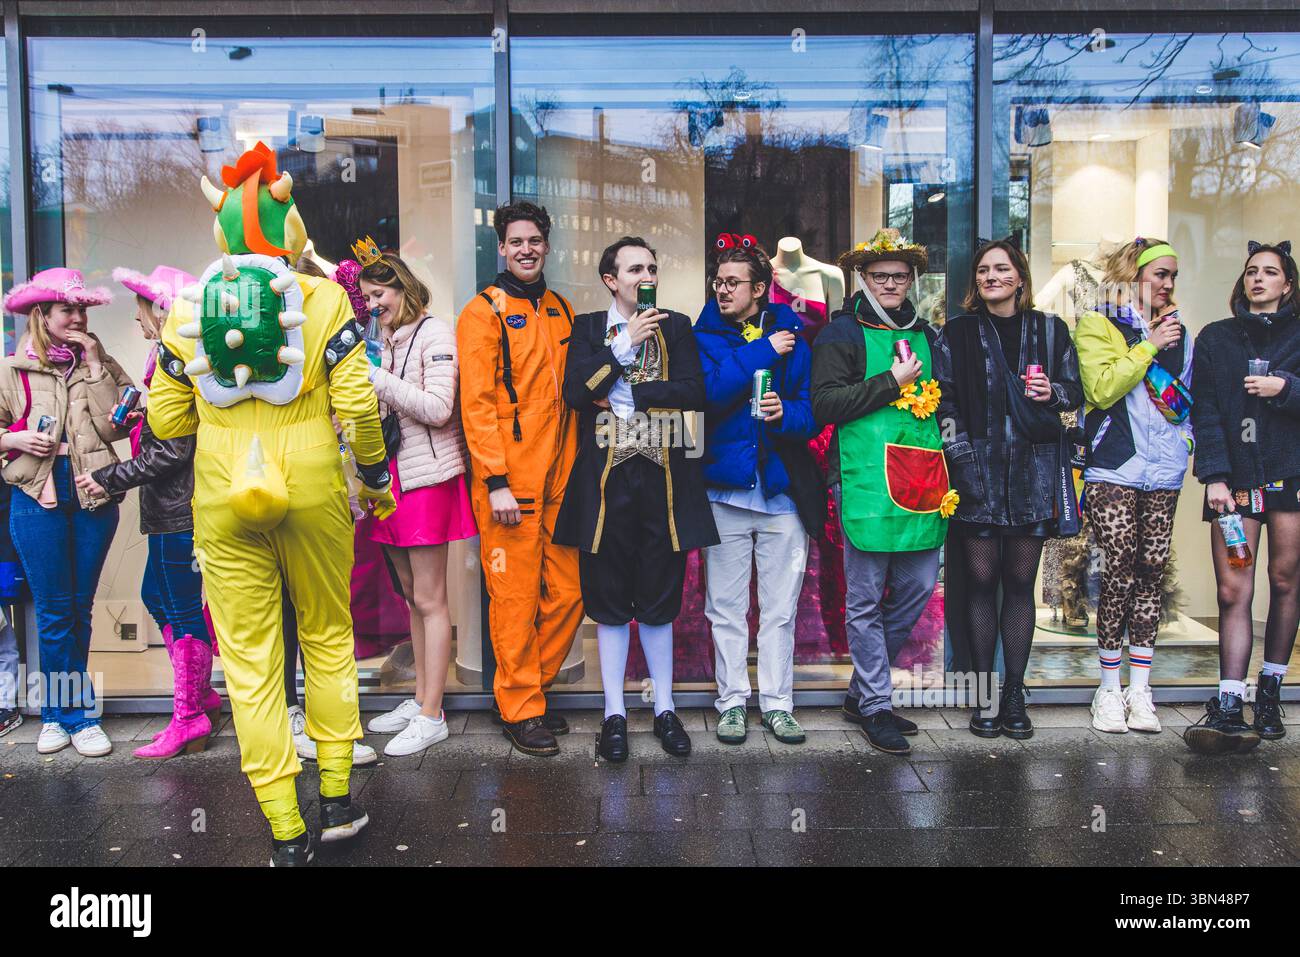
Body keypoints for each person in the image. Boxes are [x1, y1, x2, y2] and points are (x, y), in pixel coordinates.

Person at [149, 142, 394, 865]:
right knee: (326, 634)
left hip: (225, 492)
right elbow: (358, 404)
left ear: (220, 229)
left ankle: (287, 830)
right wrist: (374, 479)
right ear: (288, 229)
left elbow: (166, 423)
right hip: (313, 484)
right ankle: (340, 801)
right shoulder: (322, 297)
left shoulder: (187, 307)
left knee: (252, 660)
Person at [555, 236, 717, 761]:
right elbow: (576, 394)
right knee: (607, 603)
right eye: (634, 269)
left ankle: (665, 708)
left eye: (651, 267)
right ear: (611, 279)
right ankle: (614, 714)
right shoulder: (585, 329)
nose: (646, 276)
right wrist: (622, 347)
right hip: (603, 484)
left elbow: (694, 392)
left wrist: (633, 395)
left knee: (658, 600)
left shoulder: (677, 325)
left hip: (664, 479)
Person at [812, 229, 957, 756]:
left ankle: (860, 692)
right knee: (865, 599)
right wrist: (891, 384)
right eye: (880, 276)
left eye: (899, 276)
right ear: (863, 280)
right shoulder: (840, 334)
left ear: (912, 280)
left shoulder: (931, 335)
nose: (891, 284)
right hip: (867, 481)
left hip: (922, 480)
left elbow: (947, 405)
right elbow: (824, 404)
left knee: (918, 589)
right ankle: (876, 702)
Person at [77, 264, 225, 760]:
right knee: (156, 595)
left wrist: (107, 477)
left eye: (141, 309)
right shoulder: (168, 358)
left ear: (160, 312)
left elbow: (174, 450)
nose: (138, 321)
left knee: (180, 607)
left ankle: (189, 716)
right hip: (171, 508)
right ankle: (200, 694)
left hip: (180, 509)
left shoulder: (174, 360)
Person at [939, 239, 1083, 739]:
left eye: (1002, 268)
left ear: (1020, 277)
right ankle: (984, 695)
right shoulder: (953, 334)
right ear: (975, 282)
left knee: (1019, 584)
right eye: (983, 270)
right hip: (974, 475)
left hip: (1032, 473)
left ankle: (1014, 694)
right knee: (980, 582)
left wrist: (1053, 392)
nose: (991, 276)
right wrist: (959, 459)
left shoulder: (1050, 330)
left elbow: (1074, 391)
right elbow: (944, 402)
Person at [456, 200, 582, 757]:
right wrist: (495, 481)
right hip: (509, 483)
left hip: (562, 478)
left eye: (535, 240)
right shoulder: (482, 312)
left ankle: (532, 687)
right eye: (516, 242)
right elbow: (477, 404)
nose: (526, 249)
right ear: (501, 248)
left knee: (571, 592)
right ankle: (521, 707)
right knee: (513, 599)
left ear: (546, 246)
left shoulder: (562, 309)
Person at [695, 236, 823, 747]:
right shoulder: (701, 336)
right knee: (724, 607)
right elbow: (708, 394)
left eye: (733, 282)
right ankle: (730, 703)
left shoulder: (795, 337)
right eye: (718, 282)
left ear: (761, 289)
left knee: (780, 608)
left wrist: (785, 415)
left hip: (781, 496)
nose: (723, 290)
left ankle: (777, 704)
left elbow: (811, 409)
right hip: (724, 492)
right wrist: (761, 351)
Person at [0, 268, 133, 758]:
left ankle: (66, 713)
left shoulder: (101, 361)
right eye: (66, 310)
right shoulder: (12, 370)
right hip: (37, 495)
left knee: (78, 608)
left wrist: (96, 366)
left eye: (81, 310)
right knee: (55, 610)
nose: (77, 318)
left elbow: (117, 429)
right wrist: (12, 438)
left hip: (93, 491)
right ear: (43, 316)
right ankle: (70, 715)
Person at [359, 249, 476, 757]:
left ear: (403, 291)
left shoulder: (435, 335)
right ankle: (419, 698)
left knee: (431, 600)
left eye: (379, 295)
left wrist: (377, 378)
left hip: (427, 482)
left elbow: (438, 408)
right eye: (366, 297)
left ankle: (433, 714)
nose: (372, 305)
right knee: (412, 597)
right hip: (393, 483)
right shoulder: (383, 340)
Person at [1187, 240, 1300, 753]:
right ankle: (1229, 702)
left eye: (1270, 272)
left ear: (1287, 284)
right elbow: (1204, 410)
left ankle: (1270, 691)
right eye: (1252, 271)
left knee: (1284, 578)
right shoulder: (1216, 338)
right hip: (1235, 482)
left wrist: (1287, 389)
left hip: (1292, 476)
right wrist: (1213, 475)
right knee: (1234, 588)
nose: (1258, 279)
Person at [1074, 237, 1190, 736]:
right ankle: (1106, 687)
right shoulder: (1099, 323)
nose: (1166, 284)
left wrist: (1185, 442)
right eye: (1158, 274)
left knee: (1150, 571)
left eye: (1172, 276)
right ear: (1133, 275)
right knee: (1117, 569)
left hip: (1163, 469)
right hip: (1114, 467)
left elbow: (1191, 400)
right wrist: (1148, 346)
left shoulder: (1183, 334)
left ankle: (1139, 690)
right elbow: (1101, 389)